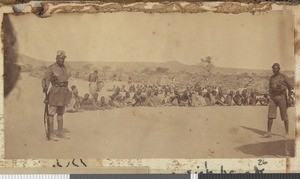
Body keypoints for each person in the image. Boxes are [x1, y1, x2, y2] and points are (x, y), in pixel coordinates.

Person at [42, 50, 71, 141]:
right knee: (51, 113)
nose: (62, 60)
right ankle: (51, 133)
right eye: (61, 58)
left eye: (63, 58)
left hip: (63, 93)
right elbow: (45, 79)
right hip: (55, 93)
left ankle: (60, 132)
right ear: (57, 58)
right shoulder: (51, 68)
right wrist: (45, 87)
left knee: (60, 113)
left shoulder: (64, 68)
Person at [264, 63, 293, 138]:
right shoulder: (271, 78)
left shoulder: (284, 77)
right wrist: (269, 96)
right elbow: (270, 88)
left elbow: (290, 88)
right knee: (270, 116)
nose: (274, 70)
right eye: (273, 68)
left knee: (284, 116)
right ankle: (269, 133)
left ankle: (287, 133)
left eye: (276, 68)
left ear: (279, 69)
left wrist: (289, 99)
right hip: (273, 98)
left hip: (282, 97)